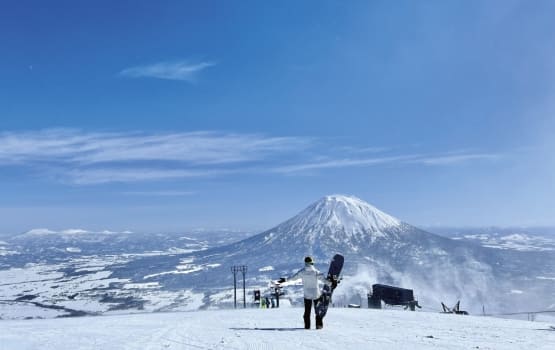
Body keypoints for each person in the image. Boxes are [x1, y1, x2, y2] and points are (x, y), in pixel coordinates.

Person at [283, 256, 329, 329]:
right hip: (316, 294)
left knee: (307, 312)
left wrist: (286, 279)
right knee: (318, 311)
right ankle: (319, 326)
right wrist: (331, 283)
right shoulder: (316, 272)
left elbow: (293, 278)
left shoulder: (302, 272)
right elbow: (324, 280)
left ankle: (307, 326)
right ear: (312, 263)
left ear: (305, 263)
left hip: (307, 294)